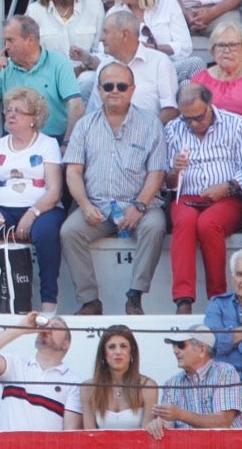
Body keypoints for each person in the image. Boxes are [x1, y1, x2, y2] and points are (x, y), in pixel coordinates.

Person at [60, 62, 168, 316]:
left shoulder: (151, 123)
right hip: (98, 206)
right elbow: (73, 171)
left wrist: (139, 206)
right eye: (108, 86)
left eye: (121, 86)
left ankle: (135, 295)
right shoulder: (85, 126)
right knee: (69, 231)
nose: (115, 91)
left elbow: (157, 172)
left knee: (155, 227)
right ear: (98, 90)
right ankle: (90, 301)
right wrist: (85, 206)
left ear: (132, 90)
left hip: (141, 204)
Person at [0, 87, 65, 312]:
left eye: (18, 111)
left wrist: (33, 213)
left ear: (34, 118)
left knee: (46, 234)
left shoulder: (47, 144)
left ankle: (49, 304)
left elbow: (55, 190)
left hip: (43, 210)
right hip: (4, 209)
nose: (11, 115)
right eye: (8, 110)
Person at [165, 83, 242, 314]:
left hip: (226, 198)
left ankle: (217, 298)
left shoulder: (236, 125)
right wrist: (174, 171)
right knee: (184, 223)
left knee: (208, 224)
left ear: (210, 104)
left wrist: (227, 187)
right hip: (187, 195)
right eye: (187, 119)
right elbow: (168, 181)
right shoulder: (173, 129)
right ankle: (183, 300)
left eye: (198, 117)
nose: (193, 124)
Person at [0, 15, 83, 143]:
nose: (6, 46)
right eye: (5, 41)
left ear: (30, 40)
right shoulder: (4, 68)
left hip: (54, 139)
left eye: (11, 40)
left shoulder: (58, 63)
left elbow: (76, 106)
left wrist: (67, 143)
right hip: (14, 141)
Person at [0, 311, 81, 430]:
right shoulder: (15, 366)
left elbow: (70, 433)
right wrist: (20, 329)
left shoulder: (73, 382)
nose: (48, 327)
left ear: (66, 344)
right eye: (47, 324)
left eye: (55, 326)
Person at [106, 0, 203, 84]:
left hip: (168, 67)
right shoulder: (114, 13)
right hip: (132, 71)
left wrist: (151, 48)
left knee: (194, 67)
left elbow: (185, 47)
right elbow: (106, 52)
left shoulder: (167, 3)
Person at [145, 326, 242, 438]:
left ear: (202, 350)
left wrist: (180, 414)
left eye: (181, 345)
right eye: (174, 345)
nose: (175, 351)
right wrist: (158, 425)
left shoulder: (225, 372)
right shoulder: (171, 384)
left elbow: (223, 422)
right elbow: (168, 424)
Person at [88, 10, 179, 123]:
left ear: (124, 34)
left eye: (106, 32)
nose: (101, 38)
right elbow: (94, 112)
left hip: (150, 136)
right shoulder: (104, 66)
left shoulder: (160, 62)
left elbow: (170, 110)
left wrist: (146, 134)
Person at [24, 0, 104, 80]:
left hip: (86, 78)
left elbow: (101, 52)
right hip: (50, 81)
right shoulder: (34, 11)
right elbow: (30, 55)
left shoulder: (94, 6)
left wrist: (82, 68)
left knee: (88, 79)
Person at [205, 247, 242, 425]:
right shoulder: (218, 305)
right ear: (232, 277)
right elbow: (213, 345)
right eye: (239, 274)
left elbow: (223, 341)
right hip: (224, 387)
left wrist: (232, 338)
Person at [80, 325, 157, 429]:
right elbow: (89, 435)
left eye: (123, 346)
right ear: (103, 353)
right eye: (111, 347)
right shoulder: (88, 388)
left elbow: (147, 436)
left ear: (132, 351)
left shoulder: (148, 387)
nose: (118, 352)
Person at [192, 20, 242, 135]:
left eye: (233, 45)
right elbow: (194, 119)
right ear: (213, 50)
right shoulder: (200, 79)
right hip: (211, 142)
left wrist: (240, 142)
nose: (227, 50)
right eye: (221, 45)